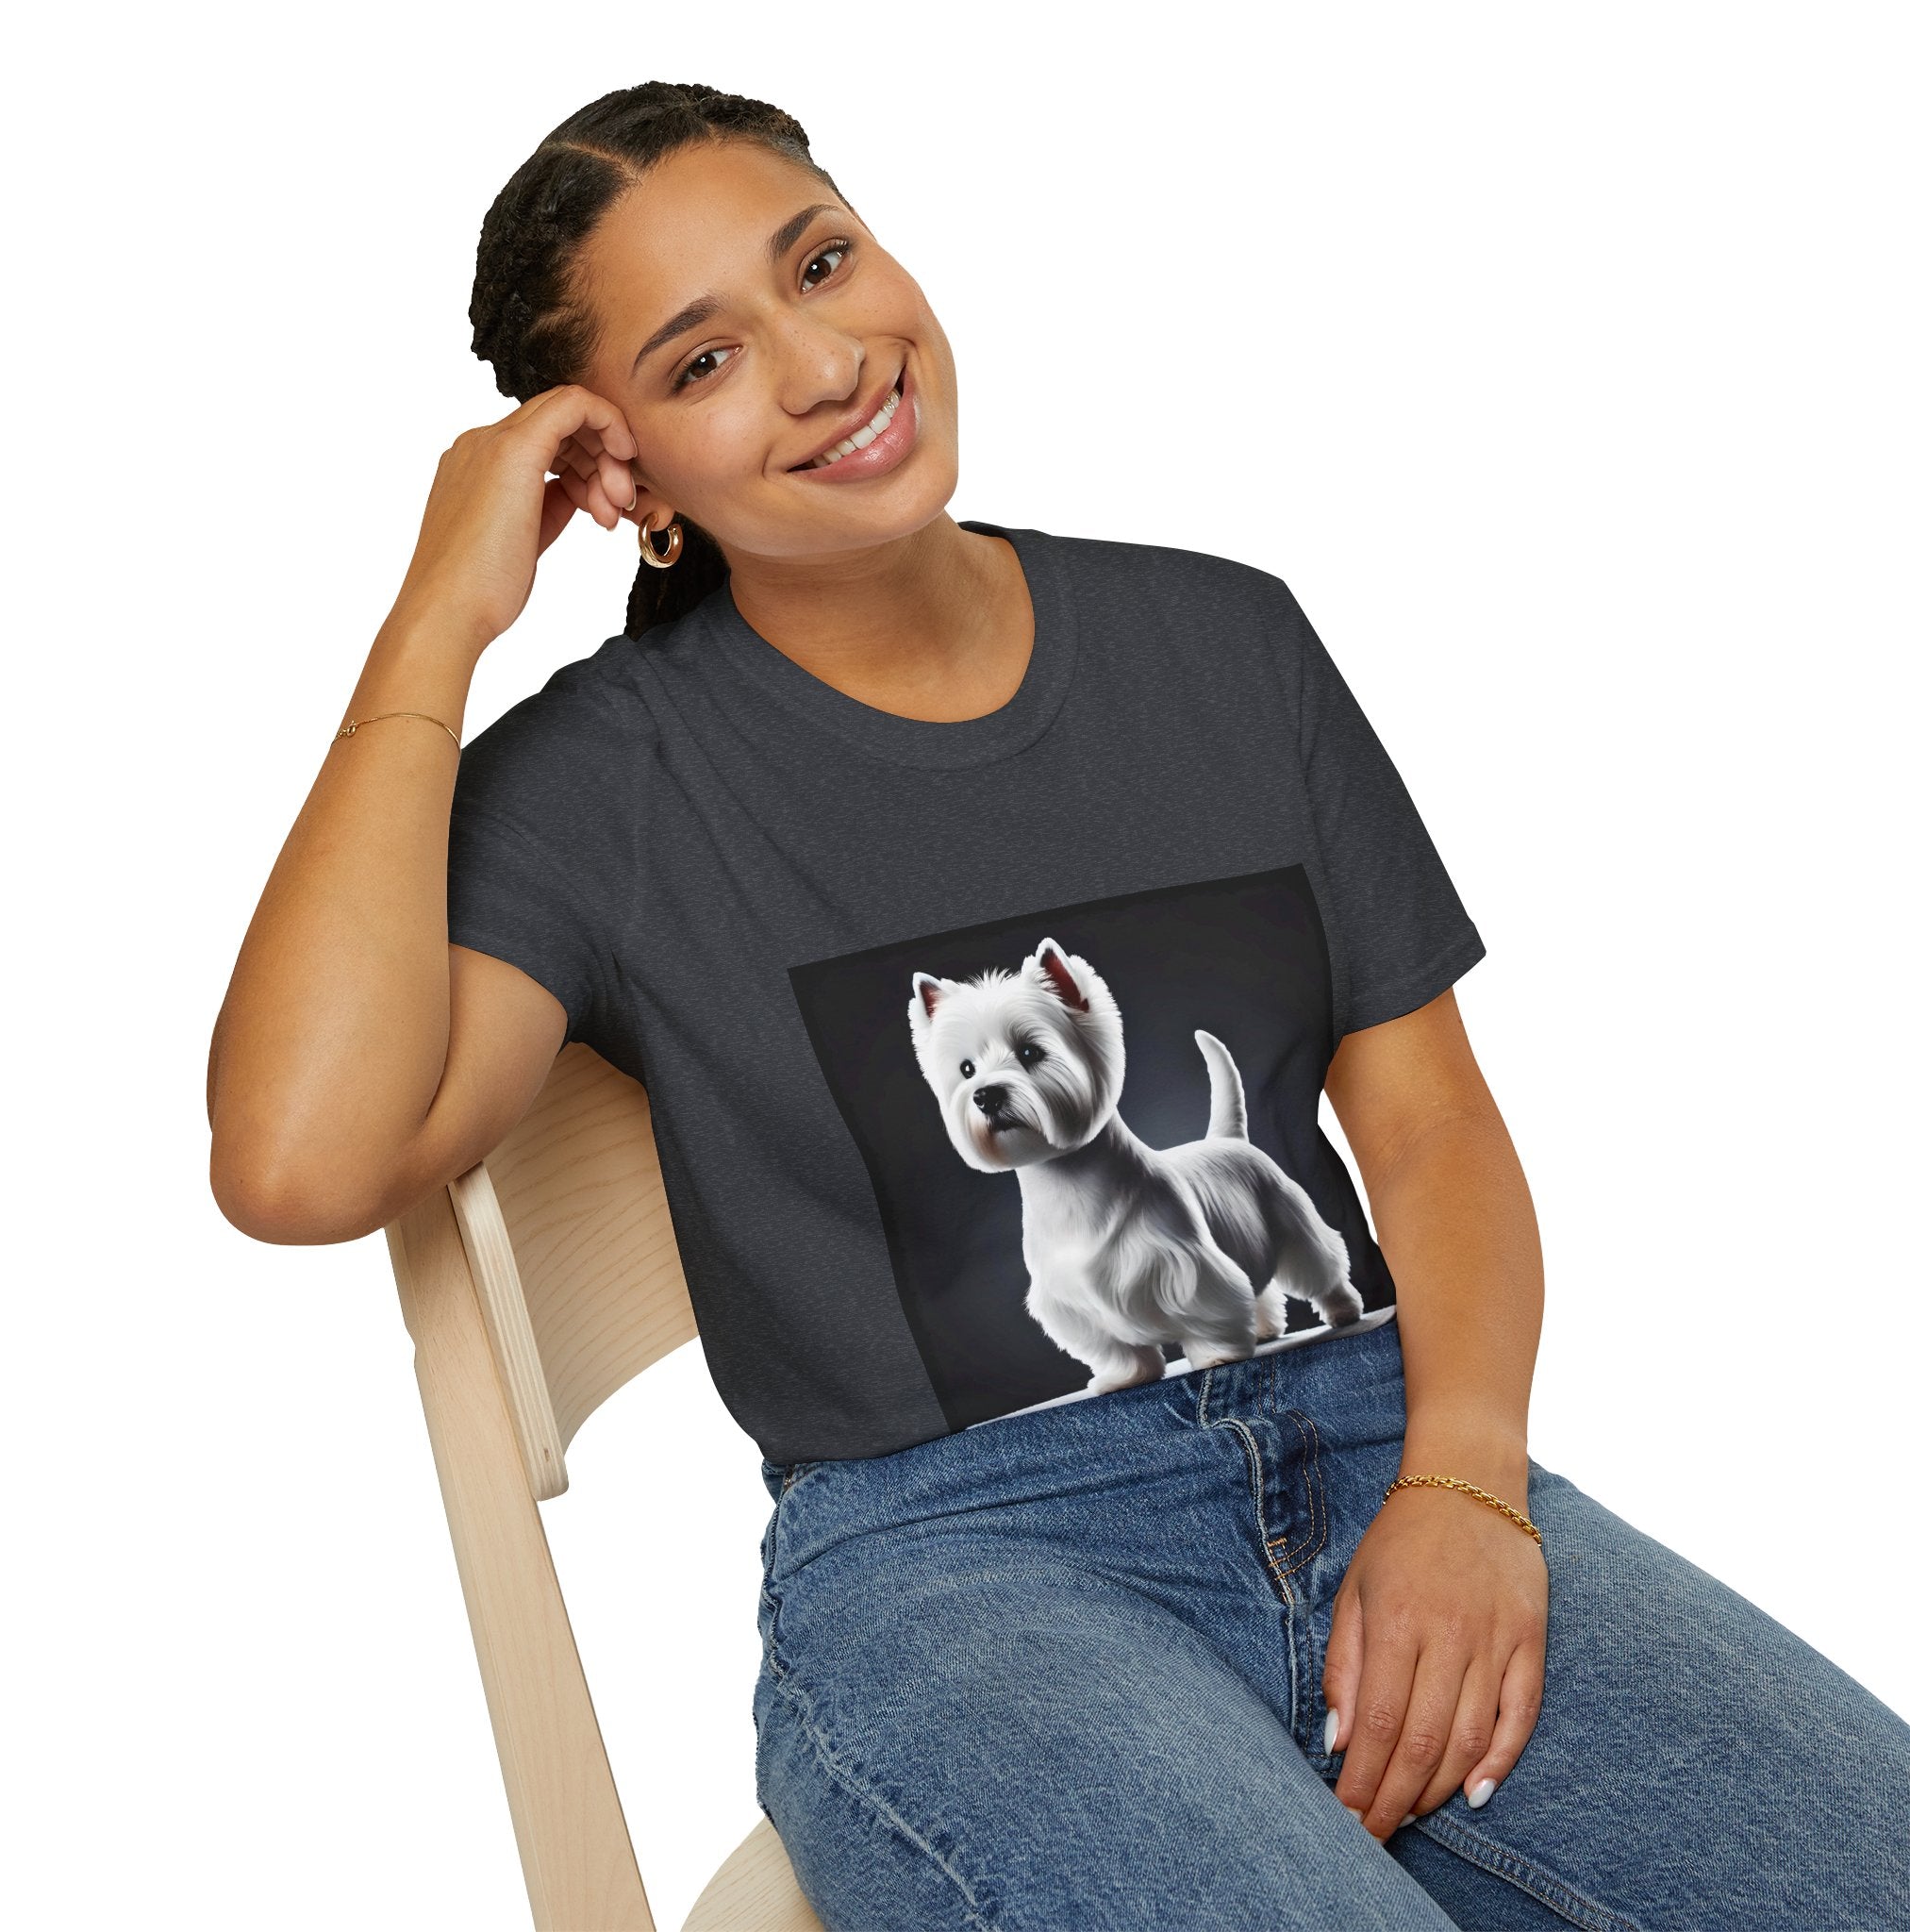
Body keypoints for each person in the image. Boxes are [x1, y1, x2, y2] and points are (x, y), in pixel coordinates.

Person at [207, 80, 1910, 1931]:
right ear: (627, 483)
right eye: (702, 362)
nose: (823, 361)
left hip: (1384, 1446)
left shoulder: (1225, 644)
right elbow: (299, 1158)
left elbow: (1427, 1129)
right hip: (965, 1567)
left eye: (823, 263)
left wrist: (1468, 1488)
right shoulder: (609, 780)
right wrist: (434, 620)